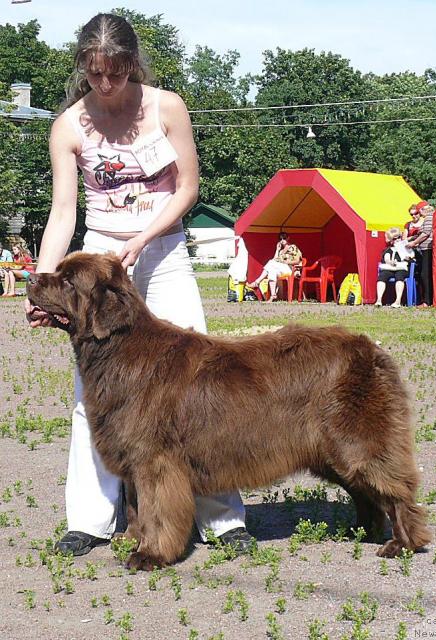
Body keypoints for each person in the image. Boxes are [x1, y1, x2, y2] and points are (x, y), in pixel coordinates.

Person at [25, 13, 250, 557]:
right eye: (97, 73)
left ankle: (222, 519)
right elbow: (62, 212)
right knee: (94, 393)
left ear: (132, 64)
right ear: (84, 66)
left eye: (117, 73)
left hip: (163, 247)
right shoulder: (69, 125)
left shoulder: (167, 106)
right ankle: (89, 519)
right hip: (100, 258)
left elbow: (189, 188)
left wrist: (145, 238)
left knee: (200, 381)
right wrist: (43, 284)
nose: (107, 84)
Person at [247, 232, 302, 302]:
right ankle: (273, 295)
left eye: (284, 238)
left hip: (290, 268)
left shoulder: (293, 247)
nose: (282, 240)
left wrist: (286, 262)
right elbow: (275, 259)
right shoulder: (281, 251)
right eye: (280, 239)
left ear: (288, 238)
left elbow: (298, 260)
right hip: (282, 269)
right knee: (272, 271)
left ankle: (256, 282)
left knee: (270, 263)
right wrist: (277, 250)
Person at [375, 227, 413, 308]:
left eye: (399, 237)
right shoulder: (389, 249)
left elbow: (412, 257)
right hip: (390, 267)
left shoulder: (406, 248)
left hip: (401, 268)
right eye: (395, 238)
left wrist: (408, 258)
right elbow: (386, 257)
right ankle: (379, 299)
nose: (398, 240)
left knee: (400, 276)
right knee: (382, 276)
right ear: (391, 240)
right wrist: (390, 262)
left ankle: (398, 300)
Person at [406, 201, 434, 307]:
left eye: (418, 211)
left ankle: (427, 301)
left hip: (428, 248)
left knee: (425, 275)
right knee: (425, 274)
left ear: (422, 210)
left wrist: (414, 243)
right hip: (426, 248)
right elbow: (421, 233)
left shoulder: (429, 217)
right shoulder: (430, 217)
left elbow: (425, 233)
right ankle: (427, 300)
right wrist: (410, 238)